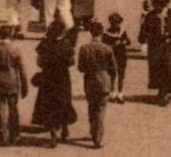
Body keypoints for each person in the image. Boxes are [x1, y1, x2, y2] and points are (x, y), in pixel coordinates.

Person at [31, 20, 78, 146]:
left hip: (48, 77)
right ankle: (65, 129)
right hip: (63, 77)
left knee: (49, 105)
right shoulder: (66, 44)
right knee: (63, 102)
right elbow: (72, 62)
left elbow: (39, 62)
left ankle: (53, 136)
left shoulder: (44, 44)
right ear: (62, 32)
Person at [76, 18, 119, 147]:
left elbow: (81, 68)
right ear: (101, 33)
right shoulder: (107, 48)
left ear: (90, 33)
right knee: (101, 109)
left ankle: (93, 130)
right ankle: (97, 139)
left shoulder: (84, 48)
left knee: (91, 107)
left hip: (89, 81)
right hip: (104, 81)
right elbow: (114, 69)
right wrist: (113, 85)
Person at [0, 25, 29, 145]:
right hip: (12, 83)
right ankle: (14, 136)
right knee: (13, 110)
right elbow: (22, 70)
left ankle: (1, 136)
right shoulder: (15, 50)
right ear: (10, 35)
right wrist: (25, 86)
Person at [138, 0, 171, 106]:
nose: (157, 8)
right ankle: (162, 92)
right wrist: (144, 40)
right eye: (156, 5)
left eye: (160, 6)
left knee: (168, 69)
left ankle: (164, 93)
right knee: (158, 70)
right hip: (156, 47)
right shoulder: (151, 15)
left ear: (165, 5)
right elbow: (144, 31)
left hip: (169, 47)